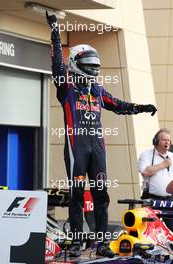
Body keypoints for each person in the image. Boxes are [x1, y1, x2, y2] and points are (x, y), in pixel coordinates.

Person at [46, 12, 157, 258]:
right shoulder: (66, 88)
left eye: (96, 66)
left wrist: (140, 108)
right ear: (76, 64)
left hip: (98, 149)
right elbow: (56, 65)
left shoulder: (97, 90)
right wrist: (55, 33)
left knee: (102, 197)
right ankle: (76, 242)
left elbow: (117, 104)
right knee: (76, 196)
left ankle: (101, 243)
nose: (93, 70)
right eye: (89, 66)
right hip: (76, 150)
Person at [137, 128, 173, 230]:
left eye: (169, 140)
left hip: (169, 200)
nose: (167, 142)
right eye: (164, 140)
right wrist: (163, 165)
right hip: (151, 199)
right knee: (148, 229)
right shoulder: (146, 155)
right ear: (156, 141)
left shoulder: (172, 156)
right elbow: (145, 172)